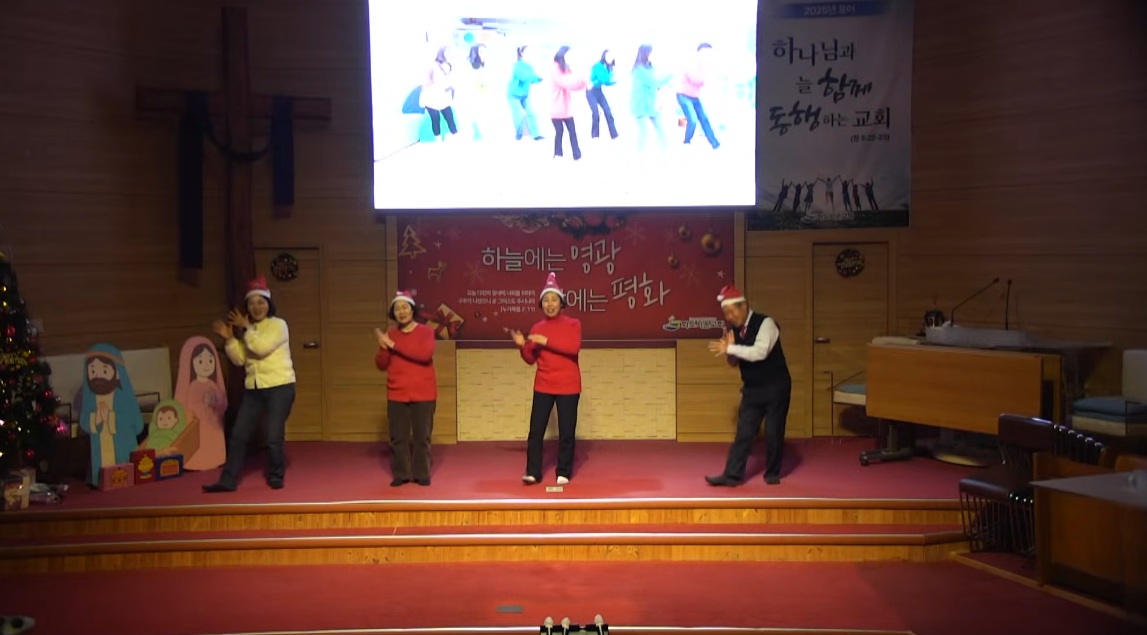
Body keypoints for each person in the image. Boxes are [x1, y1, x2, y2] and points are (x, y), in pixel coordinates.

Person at [203, 274, 297, 492]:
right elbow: (239, 359)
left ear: (269, 303)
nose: (256, 307)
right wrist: (229, 339)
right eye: (252, 303)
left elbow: (261, 348)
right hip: (254, 388)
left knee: (273, 436)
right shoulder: (247, 330)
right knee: (239, 435)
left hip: (280, 386)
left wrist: (246, 328)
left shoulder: (278, 325)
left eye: (261, 302)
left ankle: (275, 475)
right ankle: (227, 480)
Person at [705, 285, 792, 486]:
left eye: (731, 312)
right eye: (726, 314)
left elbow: (759, 353)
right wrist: (729, 352)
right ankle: (732, 475)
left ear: (744, 306)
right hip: (752, 388)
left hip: (776, 386)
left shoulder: (766, 324)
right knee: (744, 433)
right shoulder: (734, 331)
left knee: (773, 432)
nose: (729, 317)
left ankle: (772, 473)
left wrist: (732, 348)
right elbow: (734, 362)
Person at [510, 272, 582, 485]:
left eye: (554, 300)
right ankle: (533, 472)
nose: (550, 304)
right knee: (536, 431)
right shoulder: (537, 328)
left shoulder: (573, 324)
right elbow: (530, 359)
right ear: (541, 304)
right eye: (546, 300)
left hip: (568, 386)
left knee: (566, 432)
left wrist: (546, 341)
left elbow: (573, 348)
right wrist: (522, 346)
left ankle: (564, 471)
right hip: (543, 385)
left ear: (561, 303)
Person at [374, 290, 437, 487]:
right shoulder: (391, 334)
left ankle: (421, 473)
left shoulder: (426, 332)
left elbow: (424, 355)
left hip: (423, 392)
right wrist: (384, 347)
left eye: (404, 307)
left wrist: (393, 345)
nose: (401, 312)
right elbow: (381, 365)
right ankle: (401, 473)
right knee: (398, 438)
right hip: (397, 393)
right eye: (397, 309)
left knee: (422, 437)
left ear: (412, 310)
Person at [675, 43, 720, 149]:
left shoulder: (703, 66)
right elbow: (696, 80)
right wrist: (704, 78)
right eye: (706, 53)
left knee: (704, 119)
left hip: (695, 96)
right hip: (683, 95)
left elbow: (701, 80)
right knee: (693, 119)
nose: (708, 56)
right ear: (700, 52)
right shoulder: (692, 62)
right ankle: (686, 142)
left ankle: (714, 143)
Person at [549, 45, 588, 160]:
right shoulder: (555, 68)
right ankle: (558, 154)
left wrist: (583, 83)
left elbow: (573, 85)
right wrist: (581, 78)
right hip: (556, 107)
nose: (571, 58)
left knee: (572, 131)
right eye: (569, 55)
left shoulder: (566, 68)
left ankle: (577, 155)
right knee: (559, 131)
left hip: (566, 107)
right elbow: (565, 82)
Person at [587, 49, 619, 139]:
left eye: (611, 56)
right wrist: (613, 77)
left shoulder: (608, 68)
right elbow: (605, 79)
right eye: (608, 56)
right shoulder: (598, 66)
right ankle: (595, 136)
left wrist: (616, 80)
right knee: (596, 113)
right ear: (604, 56)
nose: (610, 58)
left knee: (607, 111)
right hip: (590, 91)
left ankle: (614, 135)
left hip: (598, 91)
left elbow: (607, 83)